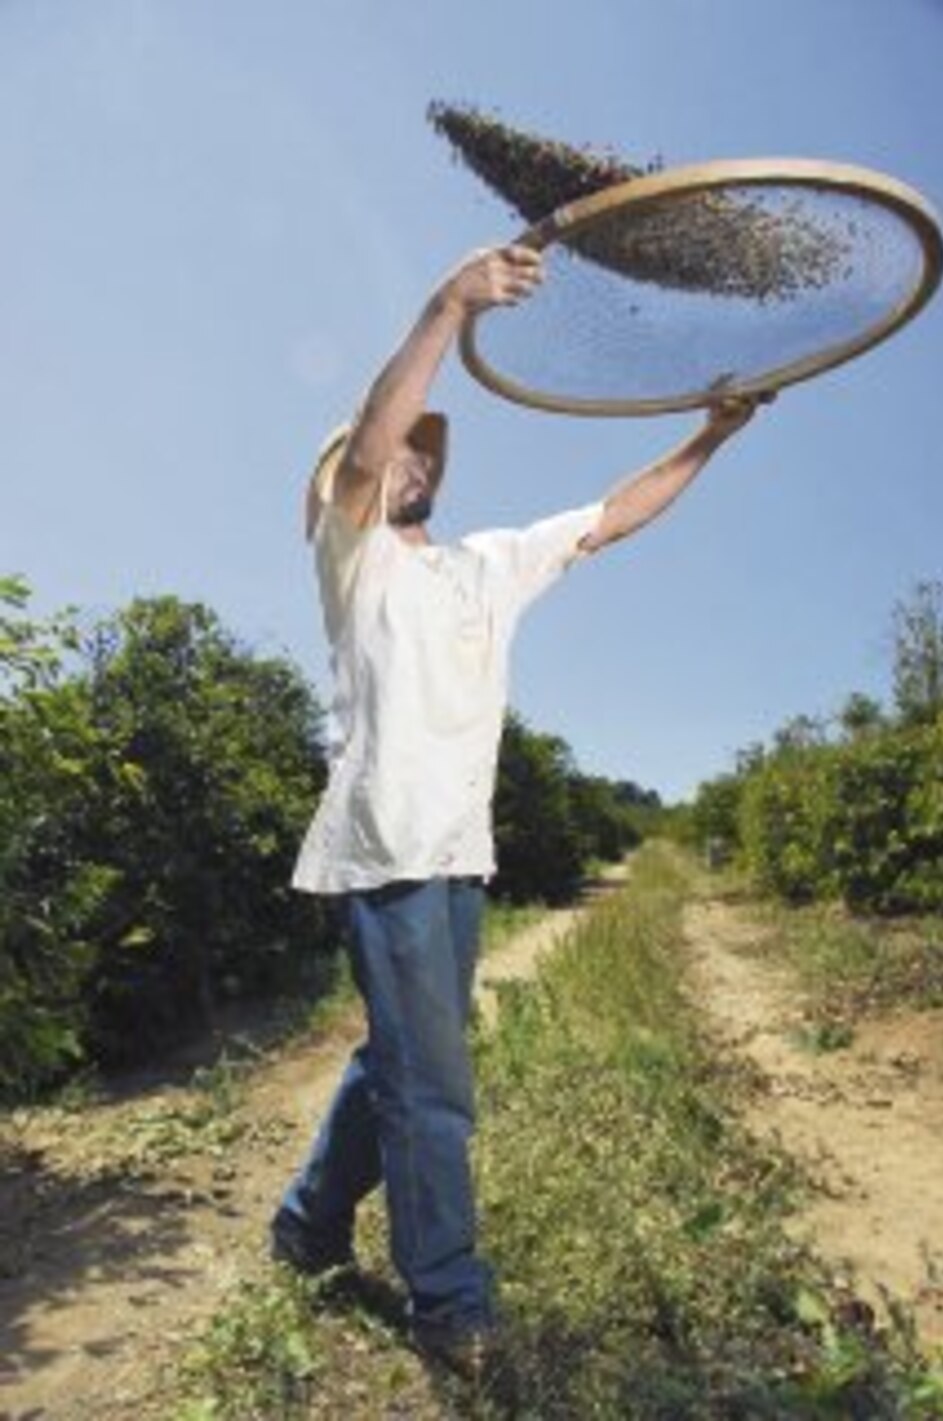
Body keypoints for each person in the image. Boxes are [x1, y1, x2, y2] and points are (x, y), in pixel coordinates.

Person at [270, 244, 764, 1376]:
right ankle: (448, 1299)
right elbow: (365, 442)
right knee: (433, 1086)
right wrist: (447, 302)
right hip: (385, 849)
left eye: (419, 452)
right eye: (394, 449)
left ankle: (303, 1224)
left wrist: (712, 434)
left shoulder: (486, 564)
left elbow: (612, 515)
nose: (409, 458)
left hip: (457, 856)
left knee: (396, 1061)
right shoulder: (355, 563)